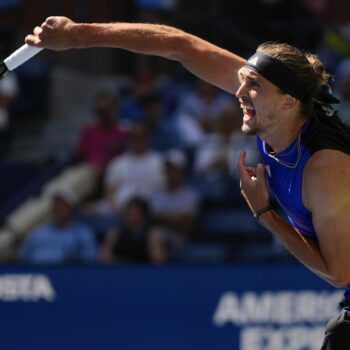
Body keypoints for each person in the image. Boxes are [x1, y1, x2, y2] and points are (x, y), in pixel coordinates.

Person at [26, 16, 350, 348]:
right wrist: (78, 35)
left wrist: (265, 214)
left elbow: (339, 272)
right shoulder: (278, 107)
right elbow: (179, 46)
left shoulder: (325, 167)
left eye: (253, 85)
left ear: (288, 102)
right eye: (243, 80)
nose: (238, 91)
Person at [19, 189, 97, 265]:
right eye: (56, 204)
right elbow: (23, 258)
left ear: (71, 208)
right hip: (38, 275)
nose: (58, 208)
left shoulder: (82, 234)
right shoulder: (38, 232)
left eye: (63, 205)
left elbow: (89, 262)